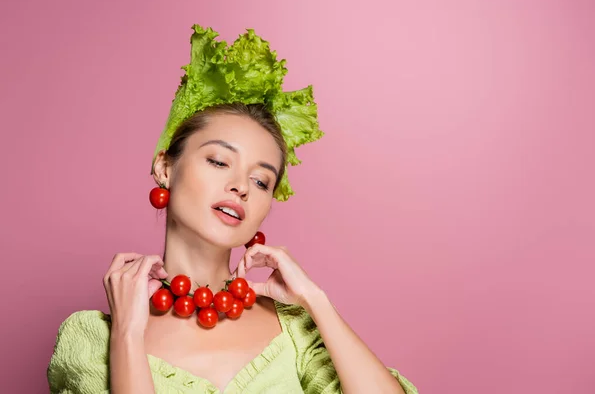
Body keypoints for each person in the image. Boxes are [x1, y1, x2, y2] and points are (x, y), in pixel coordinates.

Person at [46, 25, 418, 394]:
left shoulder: (294, 330)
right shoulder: (93, 340)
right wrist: (127, 335)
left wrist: (315, 300)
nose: (241, 186)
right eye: (219, 161)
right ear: (165, 168)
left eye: (261, 181)